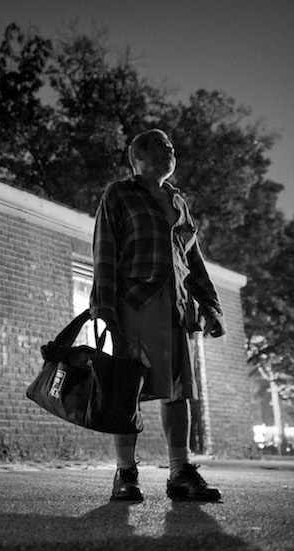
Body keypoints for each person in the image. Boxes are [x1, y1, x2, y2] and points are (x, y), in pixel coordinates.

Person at [90, 128, 225, 502]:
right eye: (161, 145)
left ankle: (180, 472)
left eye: (172, 147)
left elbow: (193, 261)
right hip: (134, 304)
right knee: (126, 389)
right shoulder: (119, 193)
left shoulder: (178, 201)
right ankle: (125, 473)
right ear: (138, 155)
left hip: (177, 308)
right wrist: (105, 311)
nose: (171, 150)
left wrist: (211, 307)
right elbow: (104, 249)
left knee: (179, 392)